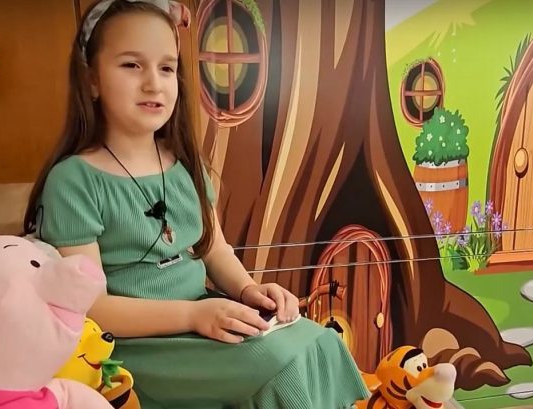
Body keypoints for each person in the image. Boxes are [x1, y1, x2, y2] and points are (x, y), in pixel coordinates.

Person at [22, 1, 370, 408]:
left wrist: (249, 290)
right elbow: (91, 308)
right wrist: (192, 316)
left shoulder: (185, 164)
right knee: (278, 364)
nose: (153, 83)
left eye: (167, 68)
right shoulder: (73, 181)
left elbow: (214, 249)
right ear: (92, 80)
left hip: (202, 318)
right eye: (132, 65)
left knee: (319, 341)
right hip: (137, 344)